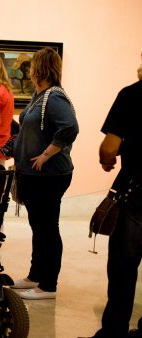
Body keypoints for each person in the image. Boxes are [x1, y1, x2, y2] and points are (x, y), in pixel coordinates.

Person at [11, 47, 79, 300]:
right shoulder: (39, 96)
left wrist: (47, 154)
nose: (28, 72)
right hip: (35, 176)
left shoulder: (54, 97)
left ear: (39, 69)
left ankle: (48, 285)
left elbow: (70, 127)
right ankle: (35, 275)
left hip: (49, 176)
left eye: (32, 67)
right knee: (38, 227)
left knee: (47, 228)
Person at [85, 54, 142, 338]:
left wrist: (108, 159)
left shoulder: (132, 95)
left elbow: (109, 148)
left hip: (137, 194)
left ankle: (114, 332)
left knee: (123, 267)